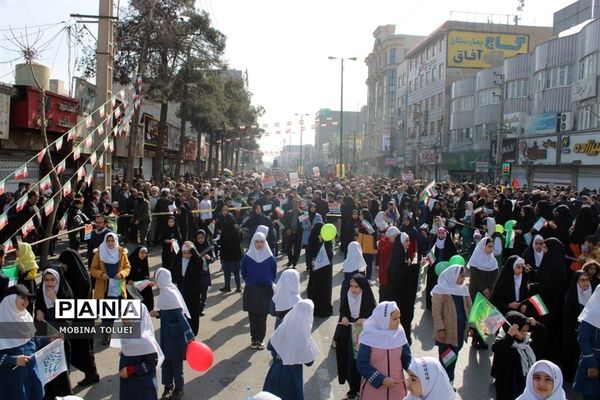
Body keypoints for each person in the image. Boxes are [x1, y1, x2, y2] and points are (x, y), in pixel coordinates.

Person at [57, 249, 99, 387]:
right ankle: (91, 373)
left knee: (83, 348)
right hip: (79, 318)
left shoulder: (79, 279)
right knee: (80, 348)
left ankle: (92, 374)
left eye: (64, 263)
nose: (63, 266)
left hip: (81, 319)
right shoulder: (75, 275)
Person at [262, 299, 320, 400]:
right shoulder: (303, 336)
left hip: (276, 369)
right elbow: (309, 362)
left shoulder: (283, 327)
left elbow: (270, 346)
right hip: (292, 375)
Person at [151, 268, 195, 400]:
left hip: (175, 339)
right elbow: (165, 313)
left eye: (156, 278)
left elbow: (182, 318)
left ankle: (179, 387)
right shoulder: (164, 293)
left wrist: (190, 337)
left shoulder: (171, 296)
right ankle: (167, 386)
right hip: (165, 337)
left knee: (176, 364)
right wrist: (157, 314)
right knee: (166, 363)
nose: (155, 281)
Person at [0, 284, 49, 400]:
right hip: (13, 380)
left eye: (28, 299)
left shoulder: (26, 317)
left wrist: (49, 339)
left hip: (32, 372)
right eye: (23, 297)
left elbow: (33, 340)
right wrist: (14, 359)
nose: (26, 302)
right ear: (11, 299)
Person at [356, 301, 412, 400]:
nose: (398, 321)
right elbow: (361, 364)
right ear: (383, 320)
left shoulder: (399, 333)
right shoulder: (369, 336)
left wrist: (415, 372)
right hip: (373, 391)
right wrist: (382, 379)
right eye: (395, 318)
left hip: (397, 388)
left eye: (399, 317)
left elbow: (407, 359)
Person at [33, 267, 74, 399]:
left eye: (52, 280)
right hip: (46, 340)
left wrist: (56, 301)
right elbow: (38, 307)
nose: (49, 283)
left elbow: (69, 318)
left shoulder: (66, 293)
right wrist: (38, 312)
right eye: (46, 280)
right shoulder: (41, 292)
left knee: (61, 372)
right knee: (48, 371)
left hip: (61, 340)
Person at [335, 274, 376, 400]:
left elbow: (375, 317)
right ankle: (353, 389)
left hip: (365, 336)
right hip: (350, 334)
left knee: (362, 361)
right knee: (350, 361)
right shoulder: (348, 295)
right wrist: (345, 317)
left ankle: (363, 389)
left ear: (362, 287)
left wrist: (365, 320)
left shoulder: (367, 298)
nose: (353, 289)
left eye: (356, 287)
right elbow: (343, 311)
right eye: (351, 286)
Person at [491, 311, 548, 400]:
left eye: (527, 330)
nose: (525, 334)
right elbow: (498, 349)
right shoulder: (505, 342)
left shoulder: (527, 343)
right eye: (523, 331)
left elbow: (543, 335)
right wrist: (509, 335)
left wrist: (536, 324)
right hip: (509, 389)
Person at [527, 237, 567, 363]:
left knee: (545, 328)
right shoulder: (553, 262)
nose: (543, 250)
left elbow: (550, 286)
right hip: (546, 303)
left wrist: (534, 286)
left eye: (545, 247)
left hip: (549, 305)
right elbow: (544, 278)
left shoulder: (556, 267)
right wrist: (533, 272)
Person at [431, 265, 472, 385]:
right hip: (446, 333)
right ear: (453, 276)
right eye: (462, 276)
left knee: (454, 357)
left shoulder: (463, 289)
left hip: (459, 331)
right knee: (445, 359)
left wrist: (471, 326)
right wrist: (440, 328)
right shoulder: (440, 290)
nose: (464, 279)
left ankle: (450, 381)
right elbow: (436, 312)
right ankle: (443, 383)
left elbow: (469, 308)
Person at [117, 297, 163, 400]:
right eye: (123, 319)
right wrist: (124, 353)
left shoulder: (146, 341)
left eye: (128, 319)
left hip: (143, 387)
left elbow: (151, 363)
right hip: (128, 385)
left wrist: (131, 369)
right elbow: (128, 348)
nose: (125, 321)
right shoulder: (126, 334)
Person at [90, 232, 131, 345]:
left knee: (118, 312)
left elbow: (127, 267)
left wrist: (122, 274)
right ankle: (106, 336)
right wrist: (101, 274)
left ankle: (118, 335)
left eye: (112, 240)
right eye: (108, 241)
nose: (110, 243)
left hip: (117, 287)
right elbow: (93, 269)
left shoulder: (121, 252)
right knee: (106, 314)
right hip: (104, 288)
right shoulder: (100, 252)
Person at [242, 232, 277, 350]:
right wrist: (251, 281)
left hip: (265, 290)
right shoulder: (248, 257)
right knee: (252, 316)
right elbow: (244, 272)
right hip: (251, 290)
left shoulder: (270, 258)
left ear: (265, 242)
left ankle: (260, 339)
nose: (259, 244)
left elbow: (273, 273)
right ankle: (253, 338)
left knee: (262, 317)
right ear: (253, 242)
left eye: (262, 241)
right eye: (257, 241)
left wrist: (267, 282)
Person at [170, 241, 208, 336]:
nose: (186, 255)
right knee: (182, 310)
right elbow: (173, 271)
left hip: (193, 290)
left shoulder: (195, 261)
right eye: (184, 253)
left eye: (189, 253)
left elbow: (200, 262)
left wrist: (193, 250)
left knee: (193, 311)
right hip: (181, 288)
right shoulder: (178, 260)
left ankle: (193, 332)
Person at [467, 237, 498, 350]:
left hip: (488, 292)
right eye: (489, 246)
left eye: (492, 247)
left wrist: (489, 289)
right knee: (477, 315)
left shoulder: (493, 261)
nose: (491, 249)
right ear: (483, 246)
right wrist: (484, 289)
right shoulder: (475, 259)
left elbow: (495, 276)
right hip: (477, 291)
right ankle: (475, 339)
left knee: (486, 316)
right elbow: (474, 278)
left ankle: (482, 338)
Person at [562, 270, 592, 383]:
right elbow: (568, 318)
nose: (585, 283)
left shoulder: (593, 294)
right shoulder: (571, 296)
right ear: (576, 282)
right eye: (582, 280)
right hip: (574, 331)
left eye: (587, 280)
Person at [388, 232, 418, 343]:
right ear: (400, 242)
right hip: (399, 295)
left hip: (403, 293)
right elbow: (398, 273)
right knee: (402, 316)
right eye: (406, 241)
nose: (408, 243)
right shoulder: (397, 255)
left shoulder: (402, 253)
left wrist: (411, 265)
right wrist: (411, 267)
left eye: (409, 240)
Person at [573, 285, 600, 400]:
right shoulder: (592, 315)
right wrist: (592, 364)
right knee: (592, 394)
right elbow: (583, 339)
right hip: (595, 359)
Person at [425, 227, 457, 310]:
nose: (441, 235)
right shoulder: (434, 242)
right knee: (434, 287)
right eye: (439, 233)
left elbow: (454, 256)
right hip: (434, 271)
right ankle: (433, 305)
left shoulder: (450, 243)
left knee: (444, 288)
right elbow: (430, 254)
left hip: (445, 271)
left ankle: (444, 307)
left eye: (442, 233)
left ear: (445, 234)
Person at [306, 222, 333, 318]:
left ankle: (322, 309)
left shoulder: (327, 241)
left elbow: (329, 255)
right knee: (316, 289)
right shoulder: (314, 240)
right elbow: (309, 252)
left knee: (322, 290)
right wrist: (311, 263)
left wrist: (323, 243)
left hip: (324, 271)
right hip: (317, 271)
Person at [218, 215, 244, 293]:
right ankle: (238, 287)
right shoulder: (238, 228)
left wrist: (217, 242)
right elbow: (241, 238)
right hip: (236, 254)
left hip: (226, 254)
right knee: (236, 272)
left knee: (227, 272)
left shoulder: (225, 230)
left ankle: (227, 286)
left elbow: (222, 241)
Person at [127, 247, 154, 311]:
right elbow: (125, 273)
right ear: (137, 252)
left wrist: (148, 281)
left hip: (140, 283)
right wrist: (128, 280)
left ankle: (147, 309)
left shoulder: (144, 261)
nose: (143, 255)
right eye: (142, 252)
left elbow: (146, 274)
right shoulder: (130, 260)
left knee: (148, 287)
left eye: (145, 253)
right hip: (130, 283)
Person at [377, 226, 400, 302]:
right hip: (384, 271)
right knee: (384, 293)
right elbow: (384, 252)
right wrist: (390, 242)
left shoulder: (396, 242)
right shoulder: (383, 241)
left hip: (392, 272)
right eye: (396, 236)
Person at [15, 242, 39, 312]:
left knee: (28, 306)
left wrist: (24, 272)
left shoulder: (32, 263)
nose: (16, 251)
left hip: (28, 287)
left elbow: (33, 276)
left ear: (24, 251)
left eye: (18, 249)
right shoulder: (18, 260)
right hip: (19, 286)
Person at [356, 209, 377, 283]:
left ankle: (368, 277)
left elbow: (374, 235)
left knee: (368, 263)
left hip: (368, 246)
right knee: (361, 263)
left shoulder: (372, 223)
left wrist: (375, 247)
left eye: (361, 214)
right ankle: (361, 277)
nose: (359, 216)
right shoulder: (360, 222)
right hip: (360, 247)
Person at [301, 203, 323, 269]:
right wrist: (308, 227)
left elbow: (320, 224)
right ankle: (308, 265)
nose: (313, 209)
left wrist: (314, 227)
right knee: (308, 252)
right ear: (309, 208)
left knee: (316, 251)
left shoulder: (318, 216)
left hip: (315, 237)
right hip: (307, 236)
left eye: (314, 207)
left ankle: (315, 265)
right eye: (311, 207)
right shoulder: (305, 215)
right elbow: (302, 225)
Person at [282, 199, 303, 268]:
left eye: (297, 204)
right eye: (294, 204)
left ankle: (294, 263)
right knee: (287, 248)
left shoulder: (303, 214)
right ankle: (290, 260)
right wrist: (287, 229)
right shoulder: (288, 212)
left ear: (299, 205)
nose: (295, 206)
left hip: (298, 234)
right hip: (290, 233)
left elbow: (303, 225)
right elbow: (285, 222)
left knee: (297, 249)